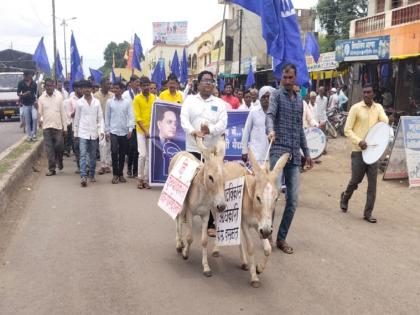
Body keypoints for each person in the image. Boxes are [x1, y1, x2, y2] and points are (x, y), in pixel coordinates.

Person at [266, 63, 313, 254]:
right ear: (281, 77)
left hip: (294, 156)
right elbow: (270, 116)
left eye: (290, 77)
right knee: (273, 196)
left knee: (293, 201)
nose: (287, 80)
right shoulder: (276, 96)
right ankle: (267, 233)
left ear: (295, 78)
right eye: (284, 77)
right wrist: (270, 131)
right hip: (277, 152)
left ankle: (281, 238)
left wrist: (307, 153)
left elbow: (300, 130)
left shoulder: (299, 100)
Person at [181, 70, 228, 237]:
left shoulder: (220, 103)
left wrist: (211, 130)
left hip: (213, 153)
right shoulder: (190, 101)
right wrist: (194, 131)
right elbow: (184, 119)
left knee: (213, 184)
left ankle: (210, 222)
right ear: (198, 84)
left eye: (211, 81)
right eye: (205, 80)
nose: (208, 83)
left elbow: (223, 122)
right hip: (194, 147)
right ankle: (185, 211)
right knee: (188, 182)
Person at [340, 84, 389, 223]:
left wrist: (385, 120)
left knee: (372, 185)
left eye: (369, 92)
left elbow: (384, 121)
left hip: (373, 152)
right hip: (358, 151)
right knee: (356, 180)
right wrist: (359, 140)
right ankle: (345, 197)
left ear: (373, 94)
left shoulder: (378, 107)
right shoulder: (355, 108)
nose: (366, 95)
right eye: (365, 92)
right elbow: (347, 130)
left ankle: (368, 213)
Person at [73, 80, 105, 187]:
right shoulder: (79, 103)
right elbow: (76, 119)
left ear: (91, 89)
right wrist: (75, 134)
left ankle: (91, 174)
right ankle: (83, 176)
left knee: (92, 155)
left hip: (94, 132)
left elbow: (100, 118)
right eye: (84, 88)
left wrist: (101, 131)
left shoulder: (96, 102)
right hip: (82, 132)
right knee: (82, 155)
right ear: (82, 90)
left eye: (88, 87)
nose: (86, 90)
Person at [105, 81, 135, 184]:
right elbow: (107, 117)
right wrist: (107, 131)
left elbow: (131, 116)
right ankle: (115, 175)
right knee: (114, 152)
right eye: (114, 88)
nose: (115, 90)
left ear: (122, 90)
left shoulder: (127, 102)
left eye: (117, 88)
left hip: (124, 131)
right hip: (113, 131)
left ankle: (121, 174)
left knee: (122, 154)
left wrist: (131, 129)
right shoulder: (110, 102)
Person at [37, 78, 67, 176]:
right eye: (47, 86)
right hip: (46, 127)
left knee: (60, 146)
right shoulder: (41, 98)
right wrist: (40, 121)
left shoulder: (59, 97)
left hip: (58, 127)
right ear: (45, 87)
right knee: (49, 149)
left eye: (51, 85)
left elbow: (63, 113)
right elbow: (40, 113)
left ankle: (60, 160)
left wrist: (65, 128)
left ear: (53, 86)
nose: (49, 87)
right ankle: (52, 169)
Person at [133, 76, 156, 189]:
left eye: (148, 85)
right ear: (140, 86)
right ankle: (140, 178)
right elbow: (138, 118)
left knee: (149, 156)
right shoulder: (137, 99)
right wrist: (145, 131)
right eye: (144, 85)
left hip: (151, 131)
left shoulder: (154, 98)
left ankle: (146, 180)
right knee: (142, 154)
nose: (146, 87)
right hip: (141, 131)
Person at [241, 86, 275, 164]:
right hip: (256, 154)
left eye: (268, 97)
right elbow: (246, 131)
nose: (266, 99)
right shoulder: (253, 112)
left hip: (271, 154)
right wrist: (244, 151)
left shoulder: (275, 112)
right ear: (259, 98)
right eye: (264, 97)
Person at [94, 78, 114, 175]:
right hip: (100, 123)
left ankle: (107, 165)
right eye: (107, 83)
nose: (109, 85)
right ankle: (102, 165)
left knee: (109, 144)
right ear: (101, 85)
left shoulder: (112, 96)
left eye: (110, 84)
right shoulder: (95, 96)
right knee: (102, 144)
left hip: (110, 123)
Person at [17, 70, 38, 141]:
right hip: (25, 104)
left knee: (34, 118)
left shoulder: (34, 83)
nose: (31, 76)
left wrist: (36, 101)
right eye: (30, 75)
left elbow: (36, 94)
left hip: (33, 104)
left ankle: (34, 134)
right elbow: (18, 93)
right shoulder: (21, 83)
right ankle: (29, 136)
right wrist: (24, 94)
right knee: (28, 121)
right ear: (26, 75)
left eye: (32, 75)